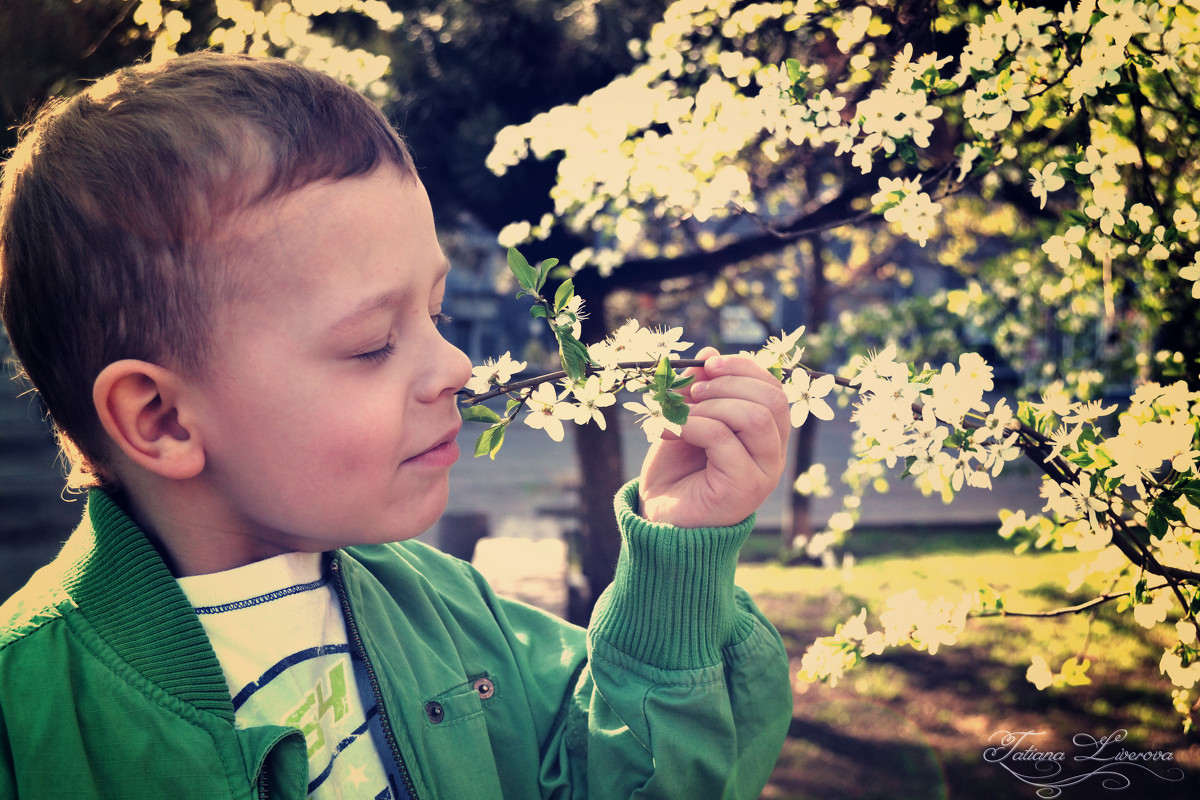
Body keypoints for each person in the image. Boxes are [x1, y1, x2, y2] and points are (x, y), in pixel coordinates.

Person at [0, 52, 793, 799]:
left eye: (437, 312)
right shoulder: (27, 717)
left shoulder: (441, 608)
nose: (455, 367)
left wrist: (673, 566)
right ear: (163, 419)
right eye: (373, 344)